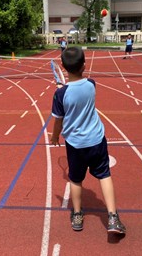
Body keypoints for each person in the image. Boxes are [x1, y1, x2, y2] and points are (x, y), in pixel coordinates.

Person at [50, 47, 126, 234]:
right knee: (104, 175)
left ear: (63, 66)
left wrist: (54, 136)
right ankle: (113, 217)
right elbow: (78, 91)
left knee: (75, 180)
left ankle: (77, 215)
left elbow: (58, 120)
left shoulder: (60, 95)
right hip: (96, 140)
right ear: (84, 65)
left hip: (75, 144)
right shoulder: (91, 84)